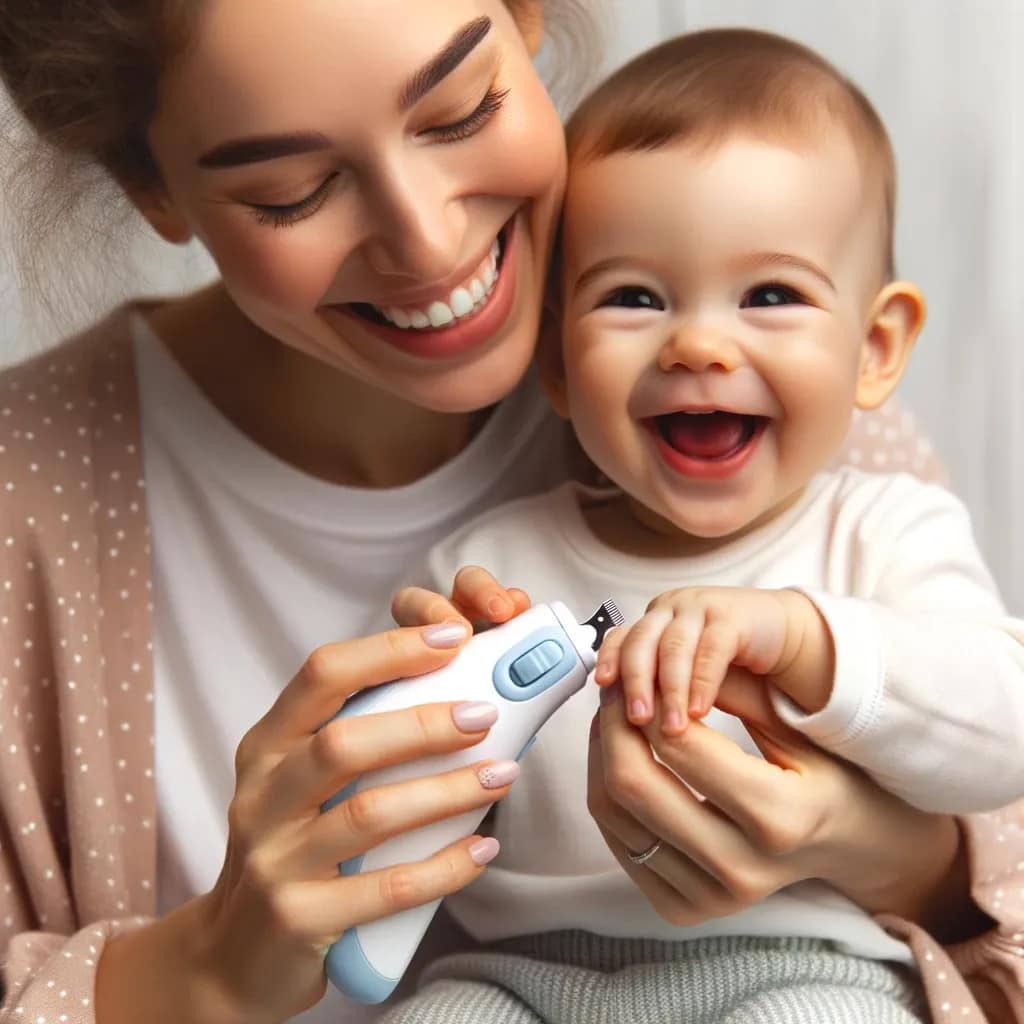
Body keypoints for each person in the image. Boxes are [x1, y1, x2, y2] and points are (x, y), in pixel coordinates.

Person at [0, 4, 1018, 1024]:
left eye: (457, 109)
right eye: (291, 190)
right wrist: (209, 968)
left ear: (523, 17)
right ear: (150, 183)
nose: (428, 241)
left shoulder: (813, 442)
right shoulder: (31, 503)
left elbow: (996, 797)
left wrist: (884, 852)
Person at [394, 27, 1024, 1024]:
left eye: (769, 294)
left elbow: (1001, 728)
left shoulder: (883, 531)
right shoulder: (489, 565)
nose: (696, 341)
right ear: (555, 365)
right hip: (514, 973)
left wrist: (809, 640)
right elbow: (407, 814)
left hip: (804, 963)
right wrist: (433, 693)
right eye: (633, 297)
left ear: (874, 345)